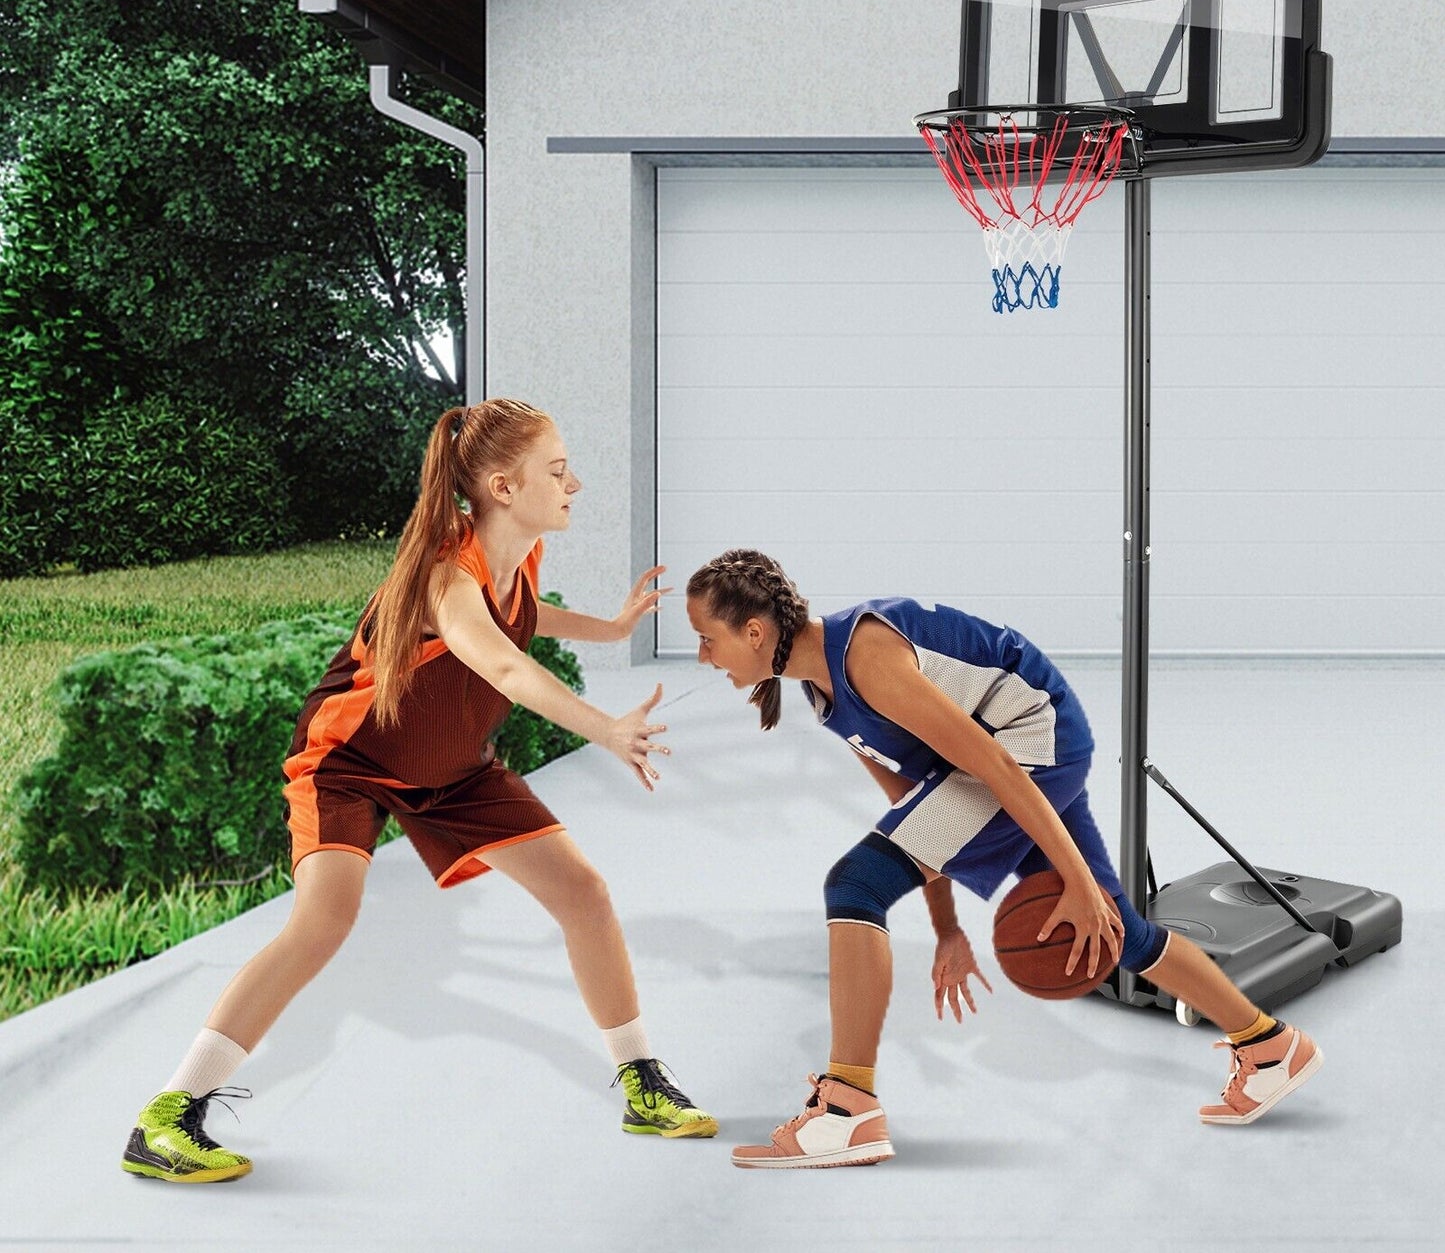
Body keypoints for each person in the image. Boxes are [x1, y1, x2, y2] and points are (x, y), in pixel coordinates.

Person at [122, 399, 715, 1184]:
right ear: (503, 486)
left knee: (584, 893)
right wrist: (604, 728)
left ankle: (641, 1081)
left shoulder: (519, 557)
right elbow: (501, 665)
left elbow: (522, 623)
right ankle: (166, 1116)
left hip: (450, 766)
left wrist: (608, 630)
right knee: (323, 921)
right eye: (558, 469)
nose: (576, 482)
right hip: (349, 760)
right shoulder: (446, 569)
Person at [685, 549, 1322, 1170]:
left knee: (855, 884)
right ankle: (1271, 1047)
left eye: (707, 638)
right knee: (1115, 931)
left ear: (754, 630)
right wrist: (946, 929)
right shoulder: (825, 692)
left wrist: (1074, 876)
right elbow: (910, 805)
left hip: (1030, 742)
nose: (702, 654)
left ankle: (848, 1111)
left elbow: (991, 763)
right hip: (1033, 744)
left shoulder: (865, 659)